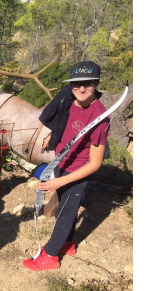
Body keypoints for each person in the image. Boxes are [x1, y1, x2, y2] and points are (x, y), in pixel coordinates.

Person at [23, 60, 110, 271]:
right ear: (70, 85)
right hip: (62, 162)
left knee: (65, 214)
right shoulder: (68, 100)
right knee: (65, 206)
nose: (81, 88)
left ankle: (51, 255)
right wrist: (53, 135)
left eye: (88, 84)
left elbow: (95, 163)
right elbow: (63, 123)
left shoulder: (100, 117)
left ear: (97, 83)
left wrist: (60, 181)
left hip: (79, 171)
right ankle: (68, 244)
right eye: (76, 83)